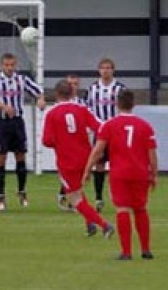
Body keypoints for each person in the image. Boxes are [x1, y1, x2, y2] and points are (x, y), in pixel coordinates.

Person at [83, 90, 158, 260]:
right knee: (140, 209)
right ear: (134, 104)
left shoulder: (109, 125)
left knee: (122, 209)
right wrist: (153, 173)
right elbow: (152, 153)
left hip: (119, 173)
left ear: (117, 104)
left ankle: (126, 252)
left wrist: (87, 169)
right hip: (140, 173)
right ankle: (146, 250)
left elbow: (98, 151)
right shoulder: (145, 126)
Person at [42, 80, 114, 238]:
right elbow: (100, 127)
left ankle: (104, 225)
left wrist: (60, 141)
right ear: (72, 93)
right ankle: (89, 225)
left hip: (67, 160)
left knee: (73, 197)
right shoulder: (82, 109)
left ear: (57, 94)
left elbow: (46, 140)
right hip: (86, 157)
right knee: (78, 191)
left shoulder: (52, 113)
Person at [0, 52, 46, 211]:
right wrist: (4, 107)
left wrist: (40, 99)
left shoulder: (21, 79)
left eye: (12, 65)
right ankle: (0, 197)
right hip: (3, 123)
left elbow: (38, 91)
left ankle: (22, 191)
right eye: (6, 65)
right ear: (2, 65)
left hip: (18, 122)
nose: (9, 68)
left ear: (15, 65)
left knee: (21, 157)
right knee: (0, 160)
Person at [86, 57, 127, 212]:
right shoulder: (92, 89)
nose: (105, 70)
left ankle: (117, 194)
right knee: (99, 164)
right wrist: (98, 125)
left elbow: (124, 109)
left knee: (117, 164)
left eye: (108, 67)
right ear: (99, 70)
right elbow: (88, 109)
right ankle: (98, 197)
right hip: (100, 131)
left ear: (113, 70)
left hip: (116, 132)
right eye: (103, 67)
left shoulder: (120, 88)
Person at [56, 73, 87, 210]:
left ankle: (69, 197)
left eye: (75, 84)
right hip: (65, 146)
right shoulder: (59, 105)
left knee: (78, 173)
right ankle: (69, 197)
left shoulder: (82, 104)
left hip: (79, 143)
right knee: (69, 172)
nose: (73, 87)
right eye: (70, 84)